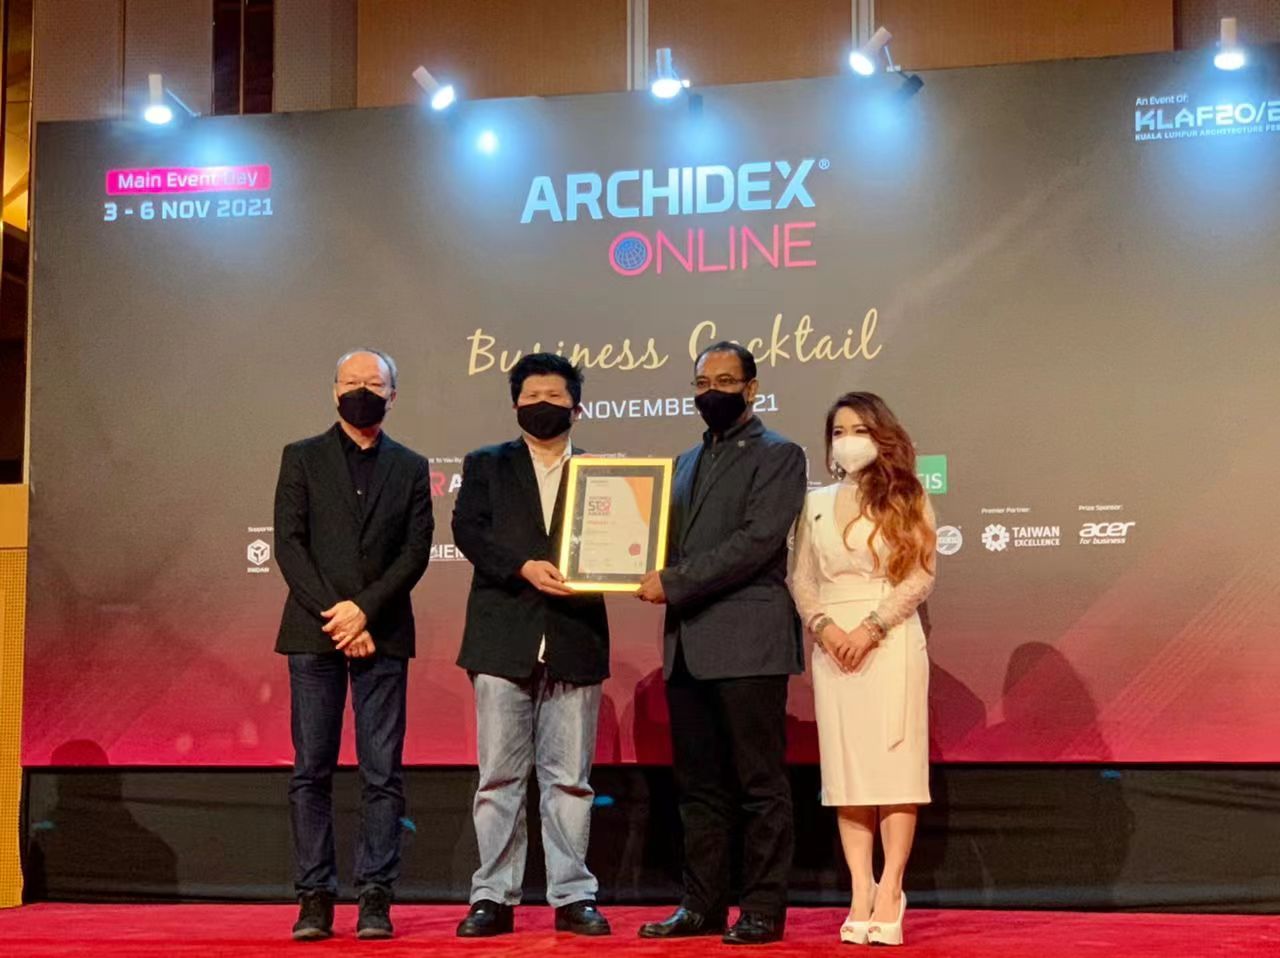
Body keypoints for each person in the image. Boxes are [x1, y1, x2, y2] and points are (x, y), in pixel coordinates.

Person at [636, 342, 807, 946]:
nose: (712, 391)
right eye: (703, 382)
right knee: (699, 787)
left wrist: (675, 581)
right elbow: (664, 543)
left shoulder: (780, 454)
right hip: (688, 645)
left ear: (752, 389)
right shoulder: (683, 462)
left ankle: (761, 909)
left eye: (726, 381)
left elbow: (758, 542)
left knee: (760, 785)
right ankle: (701, 907)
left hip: (748, 642)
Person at [274, 348, 434, 941]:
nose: (361, 391)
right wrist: (338, 615)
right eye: (351, 381)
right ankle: (314, 896)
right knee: (310, 770)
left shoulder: (411, 466)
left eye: (374, 382)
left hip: (383, 632)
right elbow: (289, 544)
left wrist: (364, 610)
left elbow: (415, 552)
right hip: (313, 632)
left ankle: (375, 896)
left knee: (382, 771)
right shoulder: (301, 457)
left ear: (393, 394)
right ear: (333, 390)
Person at [452, 353, 612, 938]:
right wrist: (522, 566)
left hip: (575, 637)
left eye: (554, 396)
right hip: (502, 638)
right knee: (498, 778)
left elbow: (624, 545)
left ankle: (573, 895)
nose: (542, 405)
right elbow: (468, 531)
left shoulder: (603, 475)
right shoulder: (487, 464)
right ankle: (492, 896)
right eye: (531, 396)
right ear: (515, 404)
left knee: (570, 780)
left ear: (577, 407)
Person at [787, 392, 936, 947]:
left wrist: (872, 628)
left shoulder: (908, 496)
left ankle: (891, 888)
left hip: (890, 641)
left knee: (895, 770)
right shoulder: (814, 503)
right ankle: (859, 889)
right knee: (848, 774)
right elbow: (802, 577)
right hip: (832, 647)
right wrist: (824, 627)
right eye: (839, 432)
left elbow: (920, 576)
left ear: (881, 436)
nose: (847, 441)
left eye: (859, 430)